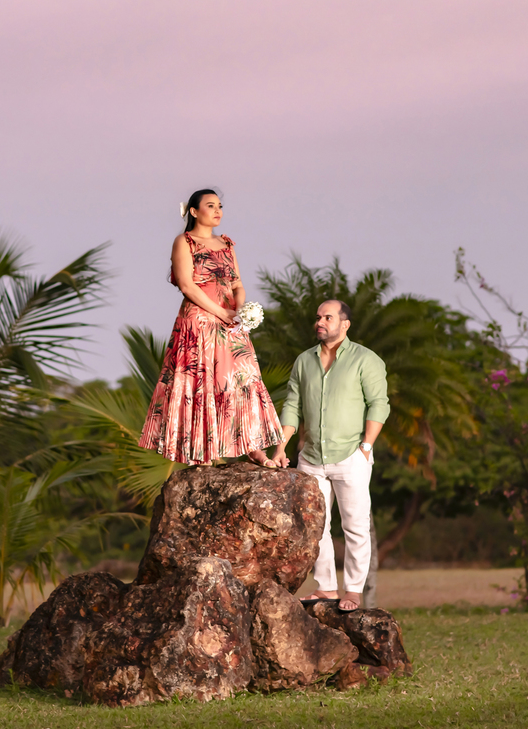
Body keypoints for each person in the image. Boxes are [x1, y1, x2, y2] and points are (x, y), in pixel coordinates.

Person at [138, 189, 284, 467]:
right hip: (200, 321)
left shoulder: (227, 244)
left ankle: (253, 447)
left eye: (220, 206)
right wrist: (221, 313)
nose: (218, 211)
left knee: (244, 378)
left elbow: (238, 284)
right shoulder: (185, 241)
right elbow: (186, 284)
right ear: (194, 212)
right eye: (210, 206)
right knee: (202, 381)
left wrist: (240, 312)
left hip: (230, 322)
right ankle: (202, 451)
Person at [272, 300, 389, 612]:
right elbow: (293, 407)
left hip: (351, 454)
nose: (320, 322)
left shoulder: (366, 360)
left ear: (344, 324)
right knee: (316, 526)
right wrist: (281, 447)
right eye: (318, 317)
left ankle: (353, 591)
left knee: (355, 525)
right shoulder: (304, 361)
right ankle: (325, 587)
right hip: (311, 457)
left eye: (327, 317)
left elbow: (379, 404)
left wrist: (366, 447)